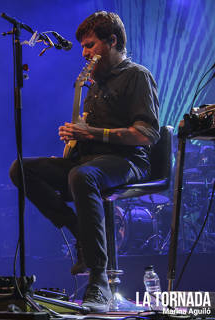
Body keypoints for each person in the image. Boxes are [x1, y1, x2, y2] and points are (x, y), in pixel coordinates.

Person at [9, 11, 160, 312]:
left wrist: (92, 132)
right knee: (21, 169)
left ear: (112, 41)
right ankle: (79, 232)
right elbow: (86, 135)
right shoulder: (93, 83)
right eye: (83, 47)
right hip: (88, 162)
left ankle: (99, 279)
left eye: (90, 45)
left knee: (81, 176)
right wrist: (74, 136)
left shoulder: (137, 76)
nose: (84, 53)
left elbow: (147, 133)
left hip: (126, 161)